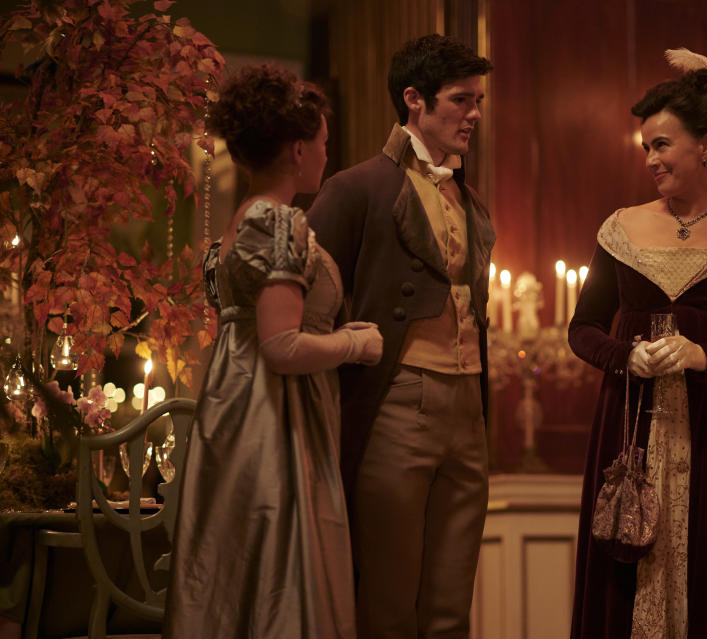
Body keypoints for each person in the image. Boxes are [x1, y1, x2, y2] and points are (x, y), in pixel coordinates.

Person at [568, 48, 707, 639]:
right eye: (646, 146)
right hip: (629, 430)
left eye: (662, 144)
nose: (651, 159)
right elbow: (582, 329)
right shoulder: (620, 229)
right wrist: (628, 356)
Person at [164, 64, 382, 639]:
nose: (326, 155)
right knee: (282, 570)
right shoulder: (277, 221)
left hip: (235, 408)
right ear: (296, 147)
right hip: (273, 419)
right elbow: (281, 345)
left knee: (240, 573)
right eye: (323, 143)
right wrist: (356, 343)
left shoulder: (241, 221)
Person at [307, 34, 495, 639]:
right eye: (461, 100)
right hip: (396, 402)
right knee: (387, 604)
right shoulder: (356, 188)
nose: (474, 114)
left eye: (478, 101)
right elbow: (306, 306)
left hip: (467, 406)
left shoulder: (469, 198)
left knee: (450, 609)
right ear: (414, 100)